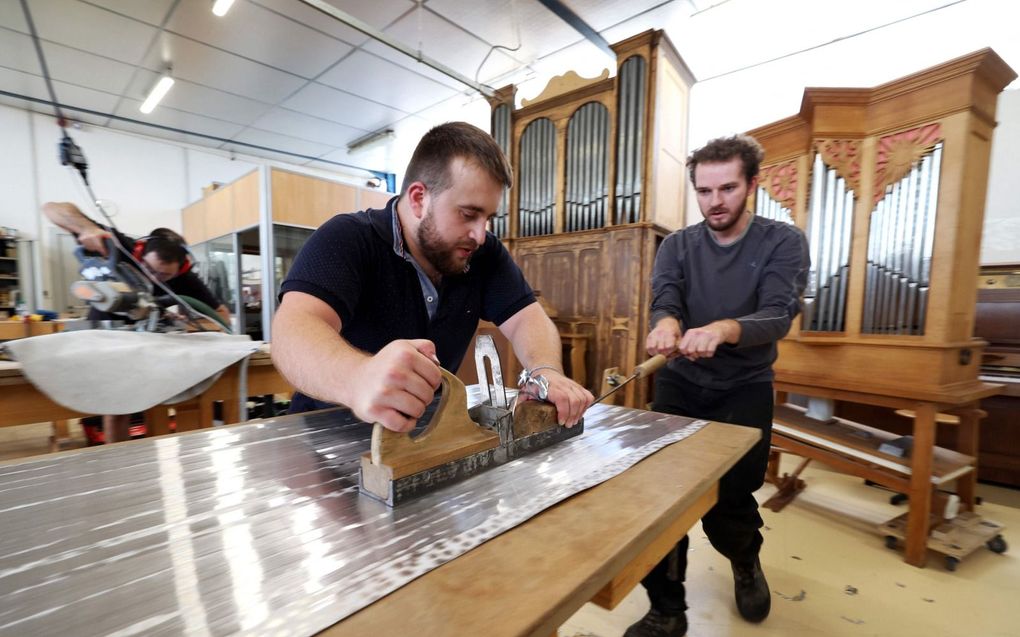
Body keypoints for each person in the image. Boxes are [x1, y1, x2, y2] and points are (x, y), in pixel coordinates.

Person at [272, 121, 593, 431]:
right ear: (418, 199)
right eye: (468, 214)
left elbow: (527, 319)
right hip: (323, 440)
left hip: (424, 436)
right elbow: (294, 330)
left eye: (488, 217)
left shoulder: (483, 253)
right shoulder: (347, 238)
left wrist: (545, 371)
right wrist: (358, 378)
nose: (480, 235)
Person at [628, 135, 810, 637]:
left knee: (731, 499)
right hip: (682, 385)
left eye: (728, 188)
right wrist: (665, 323)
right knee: (663, 498)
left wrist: (725, 330)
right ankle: (667, 609)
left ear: (753, 183)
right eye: (704, 191)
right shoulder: (679, 245)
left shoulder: (783, 240)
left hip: (745, 386)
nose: (716, 201)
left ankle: (745, 561)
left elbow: (777, 313)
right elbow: (665, 295)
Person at [42, 201, 232, 442]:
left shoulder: (187, 279)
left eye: (164, 275)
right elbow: (52, 208)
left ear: (180, 268)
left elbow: (220, 314)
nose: (154, 278)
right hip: (105, 335)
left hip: (146, 344)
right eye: (150, 270)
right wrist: (87, 227)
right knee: (118, 408)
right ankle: (117, 458)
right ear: (141, 253)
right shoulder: (120, 247)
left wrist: (191, 325)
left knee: (175, 399)